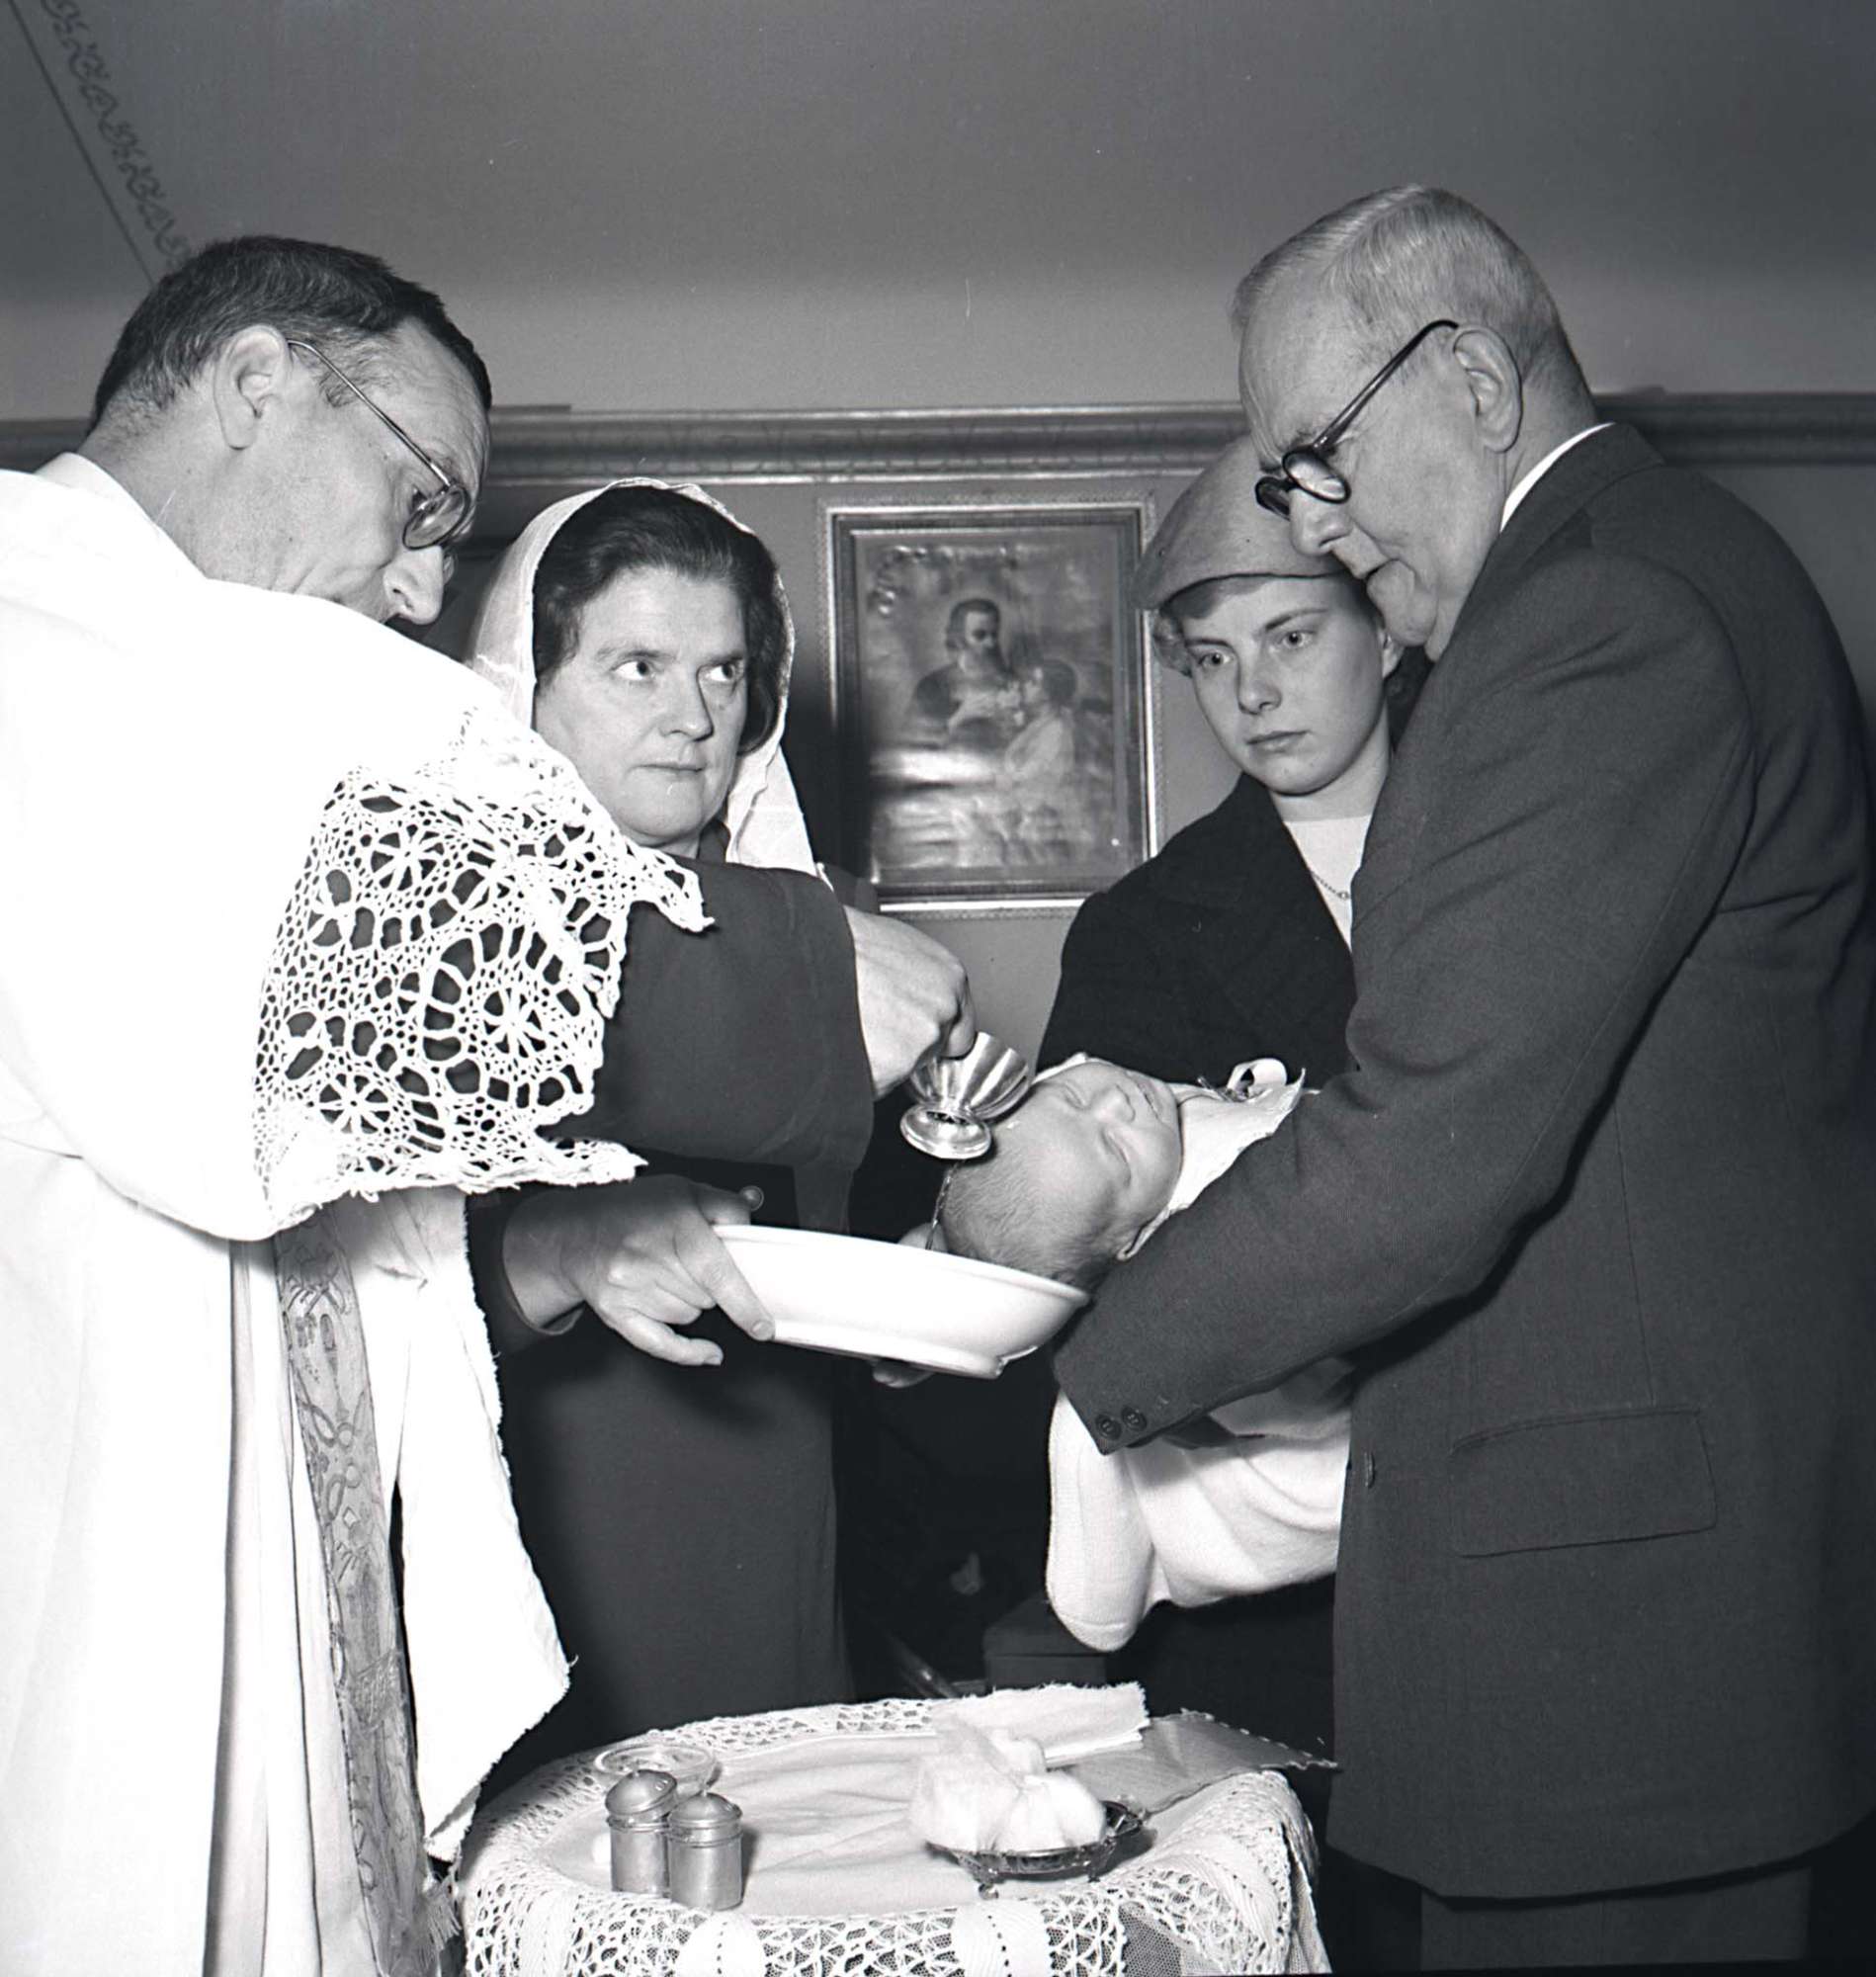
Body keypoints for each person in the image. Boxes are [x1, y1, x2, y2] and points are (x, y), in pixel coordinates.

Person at [0, 236, 972, 1977]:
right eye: (422, 500)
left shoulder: (172, 673)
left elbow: (302, 1166)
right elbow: (330, 973)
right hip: (104, 1606)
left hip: (262, 1600)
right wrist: (802, 974)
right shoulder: (37, 631)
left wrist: (567, 1251)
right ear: (256, 385)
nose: (418, 584)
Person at [1054, 186, 1876, 1967]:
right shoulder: (1644, 575)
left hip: (1616, 1633)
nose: (1312, 521)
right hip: (1638, 1610)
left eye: (1321, 458)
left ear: (1477, 383)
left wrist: (1093, 1359)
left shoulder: (1594, 616)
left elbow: (1426, 1144)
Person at [462, 480, 858, 1759]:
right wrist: (555, 1250)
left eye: (722, 672)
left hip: (775, 1510)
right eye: (637, 667)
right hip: (547, 1511)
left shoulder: (804, 923)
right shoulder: (450, 938)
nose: (693, 717)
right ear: (526, 684)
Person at [932, 1055, 1346, 1653]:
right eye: (1118, 1152)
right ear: (1129, 1244)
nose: (1116, 1103)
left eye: (1073, 1098)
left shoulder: (1130, 1133)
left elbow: (1055, 1084)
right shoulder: (1199, 1237)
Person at [911, 595, 1020, 748]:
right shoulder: (932, 686)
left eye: (994, 635)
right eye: (980, 635)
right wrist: (960, 717)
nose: (990, 643)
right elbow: (913, 744)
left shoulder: (1012, 680)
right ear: (959, 639)